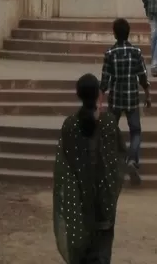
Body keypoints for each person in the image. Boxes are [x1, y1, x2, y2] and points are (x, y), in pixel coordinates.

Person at [53, 73, 126, 264]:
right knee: (102, 253)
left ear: (77, 94)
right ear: (99, 95)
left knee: (81, 253)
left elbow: (64, 167)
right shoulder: (109, 123)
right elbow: (118, 159)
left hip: (78, 205)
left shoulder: (69, 126)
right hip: (104, 205)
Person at [99, 16, 151, 184]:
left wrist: (100, 104)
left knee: (111, 132)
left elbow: (104, 81)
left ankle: (111, 165)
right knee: (135, 131)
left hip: (115, 98)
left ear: (115, 34)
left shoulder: (110, 53)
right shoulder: (136, 52)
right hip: (132, 98)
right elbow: (143, 77)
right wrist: (148, 96)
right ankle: (132, 160)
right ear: (128, 33)